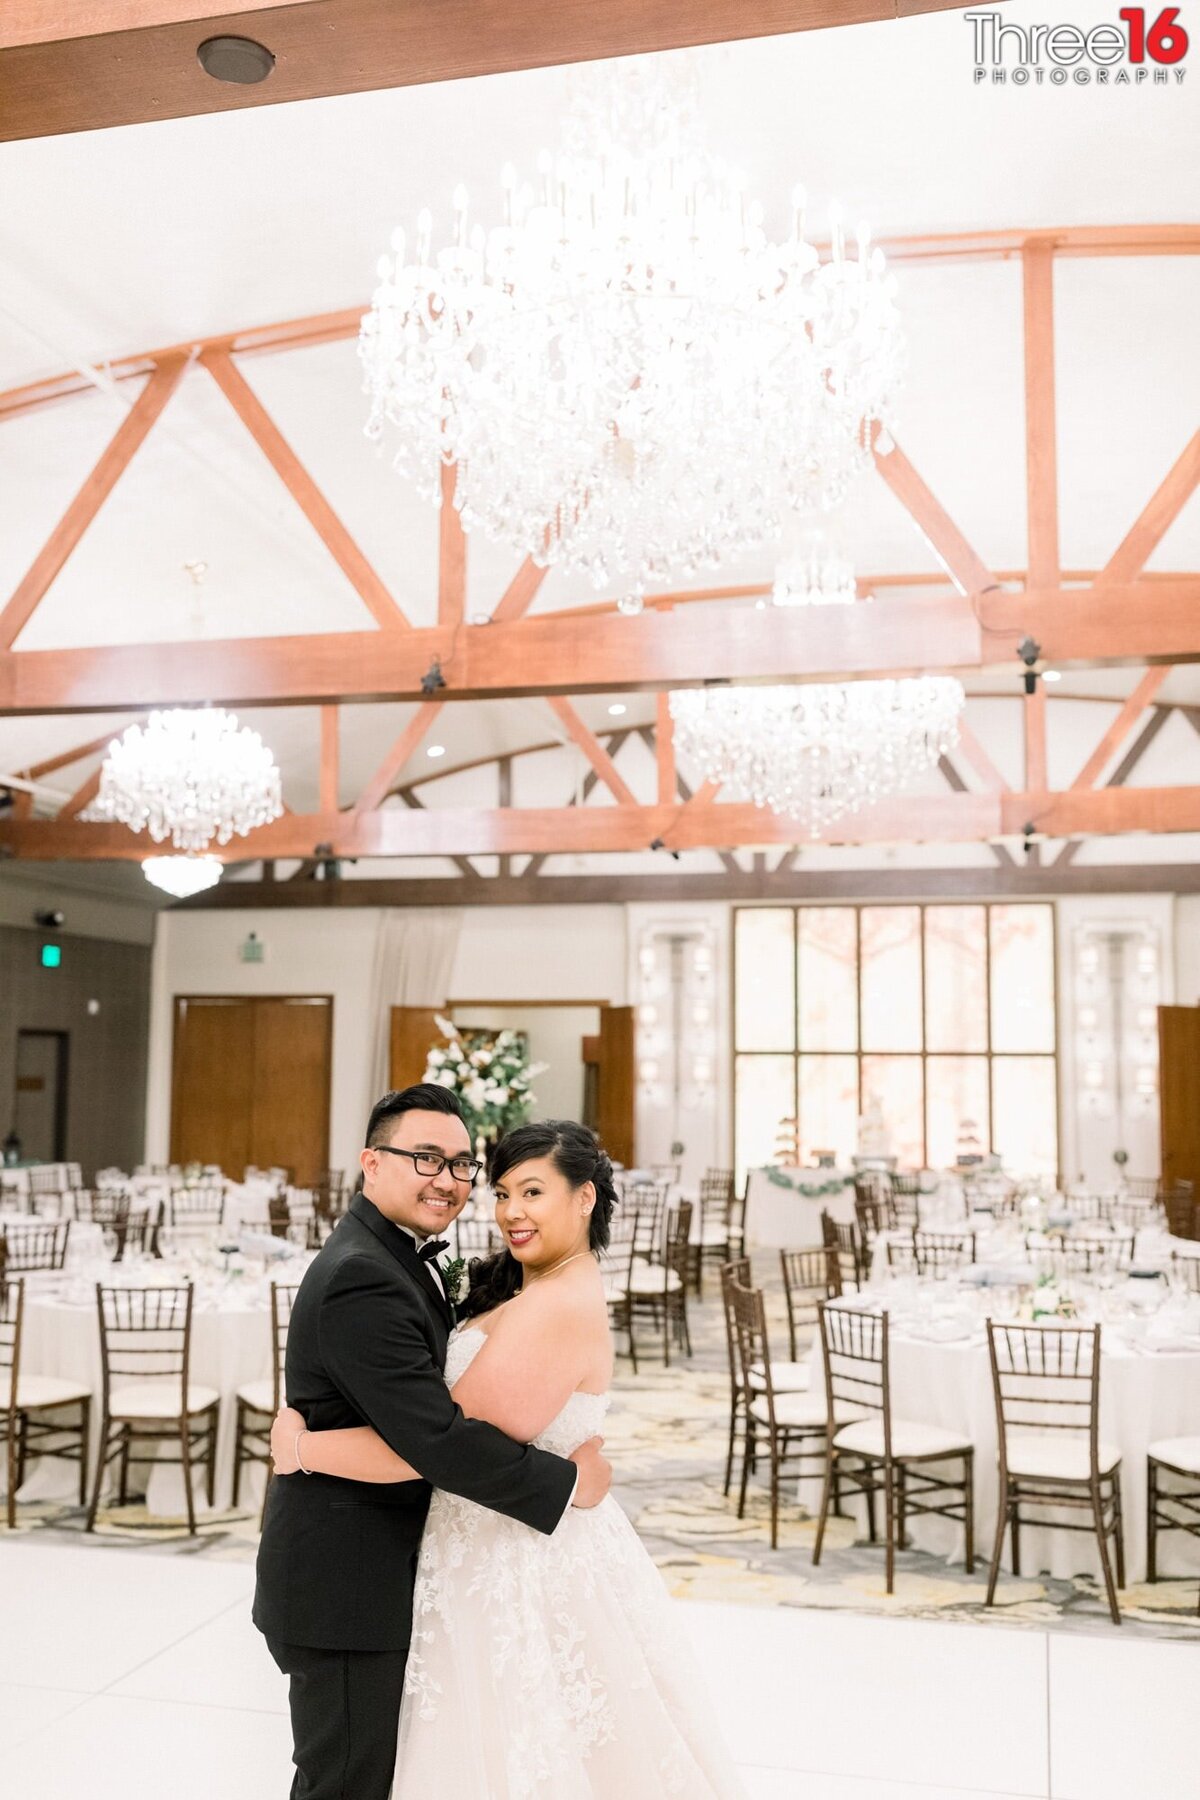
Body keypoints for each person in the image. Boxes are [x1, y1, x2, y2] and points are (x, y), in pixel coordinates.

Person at [272, 1118, 746, 1797]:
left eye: (532, 1192)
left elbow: (433, 1451)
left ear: (584, 1198)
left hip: (511, 1556)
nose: (511, 1213)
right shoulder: (540, 1284)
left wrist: (302, 1447)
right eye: (501, 1194)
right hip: (500, 1542)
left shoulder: (552, 1304)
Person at [254, 1086, 611, 1800]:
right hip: (346, 1589)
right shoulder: (363, 1273)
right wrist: (566, 1484)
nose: (446, 1180)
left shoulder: (391, 1255)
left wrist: (304, 1447)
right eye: (424, 1158)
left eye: (459, 1164)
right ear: (370, 1164)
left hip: (378, 1573)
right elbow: (438, 1441)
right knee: (345, 1785)